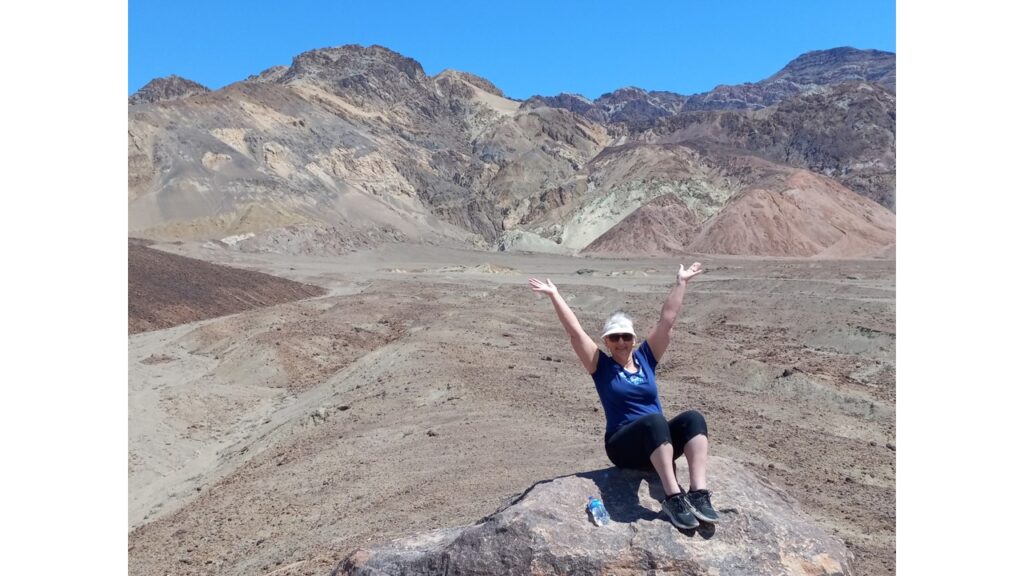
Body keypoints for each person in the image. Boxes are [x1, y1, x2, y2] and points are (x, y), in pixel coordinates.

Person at [528, 263, 719, 530]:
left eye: (626, 336)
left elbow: (667, 321)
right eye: (614, 337)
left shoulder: (646, 358)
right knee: (654, 421)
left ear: (633, 339)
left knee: (693, 419)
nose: (621, 342)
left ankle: (698, 493)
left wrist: (681, 282)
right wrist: (554, 295)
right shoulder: (601, 366)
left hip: (657, 441)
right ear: (606, 341)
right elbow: (575, 332)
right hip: (623, 446)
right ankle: (673, 497)